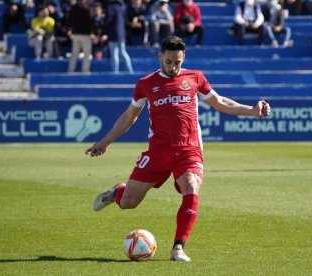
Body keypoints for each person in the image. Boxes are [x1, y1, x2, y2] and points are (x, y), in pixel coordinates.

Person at [86, 36, 271, 261]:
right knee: (128, 203)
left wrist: (254, 110)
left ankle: (178, 248)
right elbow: (129, 117)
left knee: (191, 186)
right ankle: (117, 192)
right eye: (169, 62)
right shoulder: (146, 83)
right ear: (160, 56)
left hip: (189, 149)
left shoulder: (195, 78)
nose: (174, 67)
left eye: (178, 62)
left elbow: (220, 102)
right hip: (158, 152)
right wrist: (105, 142)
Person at [105, 0, 134, 73]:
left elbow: (108, 19)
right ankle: (130, 70)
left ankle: (115, 72)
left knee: (114, 53)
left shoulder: (110, 6)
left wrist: (105, 30)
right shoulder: (123, 5)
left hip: (112, 33)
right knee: (123, 52)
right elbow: (125, 19)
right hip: (121, 33)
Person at [66, 0, 93, 72]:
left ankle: (70, 71)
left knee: (74, 55)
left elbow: (69, 20)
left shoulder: (73, 8)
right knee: (86, 55)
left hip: (76, 35)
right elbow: (90, 22)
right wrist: (91, 32)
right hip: (85, 35)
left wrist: (70, 30)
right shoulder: (87, 8)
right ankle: (85, 71)